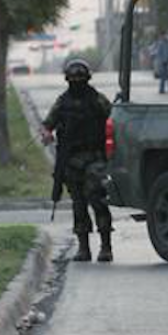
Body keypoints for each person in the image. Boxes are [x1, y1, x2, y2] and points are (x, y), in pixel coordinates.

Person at [40, 60, 114, 262]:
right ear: (67, 81)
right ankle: (84, 248)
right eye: (73, 80)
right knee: (78, 204)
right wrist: (47, 135)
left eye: (80, 80)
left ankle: (106, 246)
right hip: (71, 160)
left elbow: (114, 119)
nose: (77, 83)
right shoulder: (62, 103)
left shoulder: (97, 100)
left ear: (87, 80)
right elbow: (47, 125)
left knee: (98, 200)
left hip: (94, 158)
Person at [153, 30, 168, 94]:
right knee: (163, 77)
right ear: (162, 36)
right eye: (165, 35)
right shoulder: (160, 43)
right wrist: (162, 61)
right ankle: (161, 90)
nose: (166, 36)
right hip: (163, 62)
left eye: (167, 35)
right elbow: (158, 53)